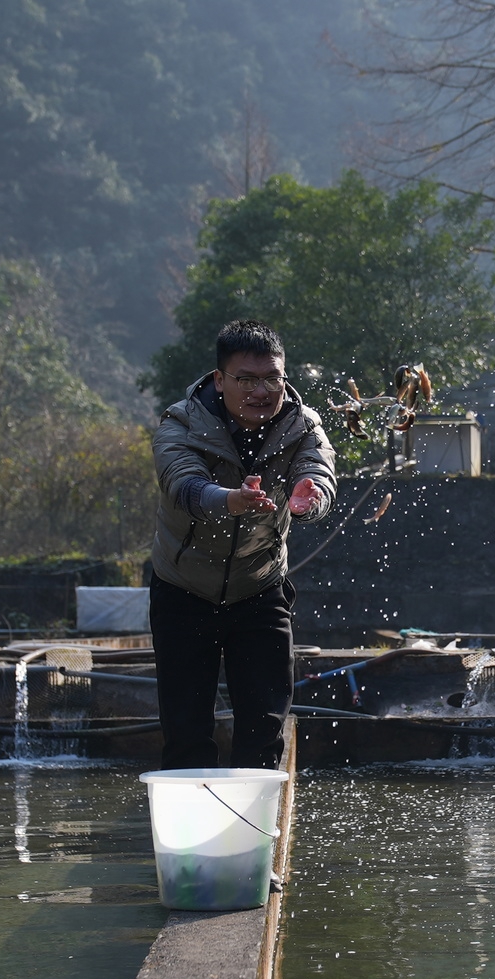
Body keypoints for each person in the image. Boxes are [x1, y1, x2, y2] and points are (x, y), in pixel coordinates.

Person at [149, 320, 336, 770]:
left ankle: (256, 815)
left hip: (260, 588)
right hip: (183, 589)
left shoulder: (304, 425)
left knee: (264, 730)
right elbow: (183, 485)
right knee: (186, 732)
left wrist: (310, 499)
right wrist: (229, 500)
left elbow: (320, 474)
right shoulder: (180, 423)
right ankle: (191, 815)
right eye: (247, 380)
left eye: (273, 378)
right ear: (220, 380)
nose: (262, 391)